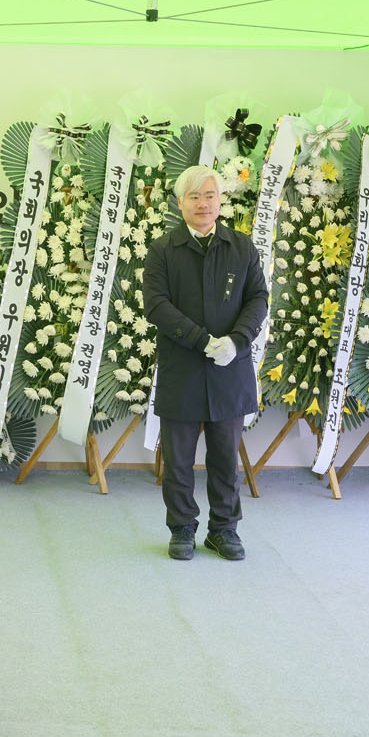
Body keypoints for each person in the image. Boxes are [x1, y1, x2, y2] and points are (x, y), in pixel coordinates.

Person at [144, 164, 268, 561]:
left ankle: (224, 530)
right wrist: (201, 340)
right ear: (180, 203)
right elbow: (156, 305)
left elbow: (258, 298)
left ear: (220, 201)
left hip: (230, 369)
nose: (203, 203)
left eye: (210, 195)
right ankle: (182, 528)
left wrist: (236, 341)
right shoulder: (163, 250)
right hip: (181, 369)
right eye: (194, 196)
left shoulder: (242, 247)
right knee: (178, 460)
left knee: (225, 458)